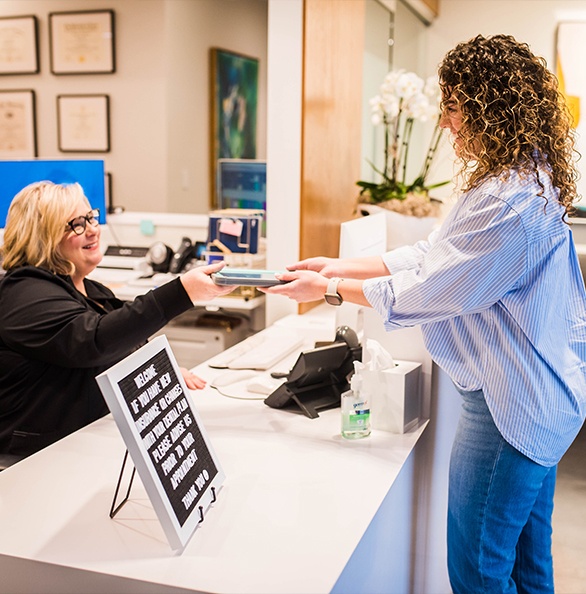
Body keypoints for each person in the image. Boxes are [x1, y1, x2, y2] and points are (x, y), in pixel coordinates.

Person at [262, 34, 586, 593]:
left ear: (490, 107)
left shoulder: (509, 200)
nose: (445, 123)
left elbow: (433, 290)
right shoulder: (516, 177)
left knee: (478, 570)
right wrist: (340, 265)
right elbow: (436, 253)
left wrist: (331, 289)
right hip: (543, 397)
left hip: (512, 406)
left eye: (454, 107)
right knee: (529, 564)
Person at [0, 181, 234, 460]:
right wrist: (182, 292)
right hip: (33, 462)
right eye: (76, 224)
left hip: (87, 444)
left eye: (91, 217)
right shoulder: (23, 293)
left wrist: (163, 373)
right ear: (43, 238)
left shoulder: (94, 292)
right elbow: (93, 341)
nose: (92, 229)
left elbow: (124, 347)